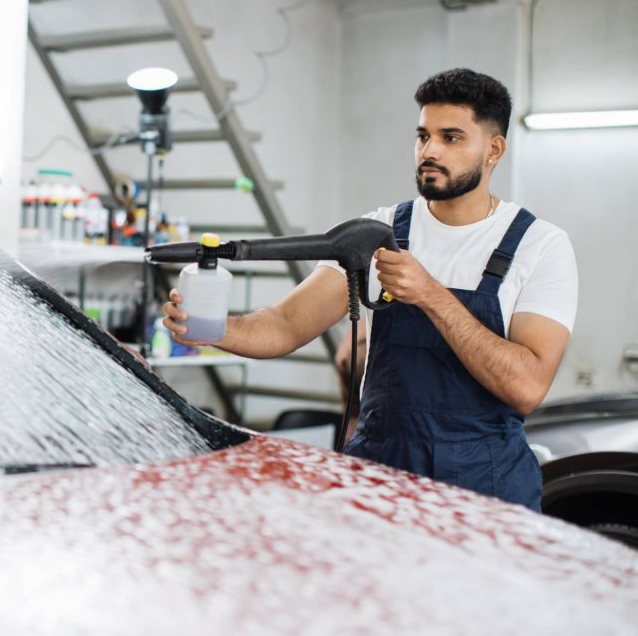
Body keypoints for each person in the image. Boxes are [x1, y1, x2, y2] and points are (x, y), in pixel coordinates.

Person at [161, 68, 578, 511]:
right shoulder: (378, 232)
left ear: (493, 149)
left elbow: (527, 387)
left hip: (485, 484)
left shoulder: (540, 246)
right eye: (423, 136)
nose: (429, 151)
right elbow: (286, 325)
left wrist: (431, 295)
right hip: (381, 471)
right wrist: (212, 328)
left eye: (451, 138)